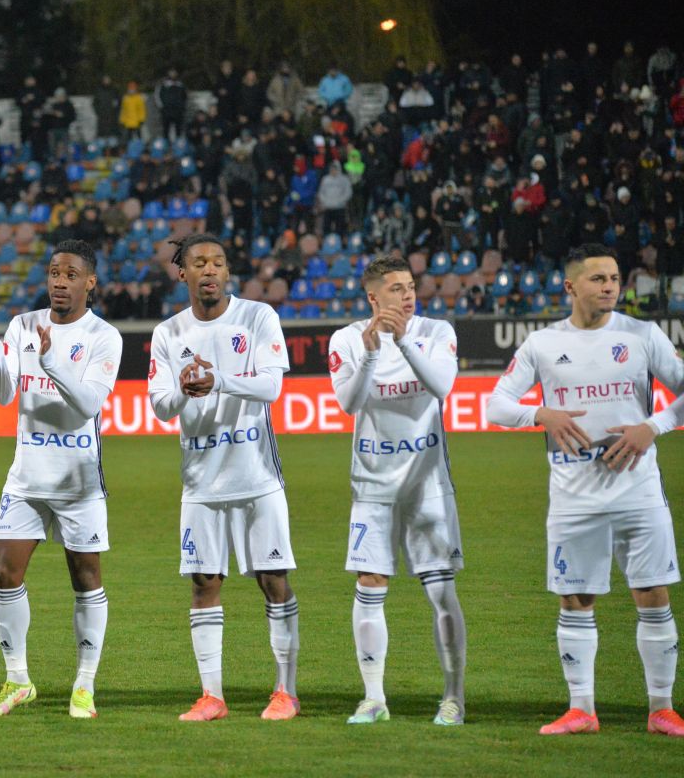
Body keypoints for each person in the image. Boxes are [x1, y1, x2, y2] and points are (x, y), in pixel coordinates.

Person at [486, 244, 684, 736]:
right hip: (574, 492)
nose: (610, 286)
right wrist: (541, 413)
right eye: (598, 279)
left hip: (638, 489)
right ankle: (582, 710)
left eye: (614, 277)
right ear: (571, 287)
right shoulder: (543, 344)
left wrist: (653, 426)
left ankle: (662, 709)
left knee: (652, 593)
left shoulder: (642, 335)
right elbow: (496, 405)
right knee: (575, 598)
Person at [148, 233, 299, 722]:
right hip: (200, 482)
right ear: (183, 273)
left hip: (256, 477)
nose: (208, 270)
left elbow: (273, 385)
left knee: (273, 581)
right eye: (198, 263)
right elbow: (160, 405)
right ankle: (212, 696)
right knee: (203, 583)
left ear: (228, 273)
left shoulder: (257, 318)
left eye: (217, 262)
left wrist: (218, 380)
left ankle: (285, 692)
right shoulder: (168, 333)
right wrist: (186, 391)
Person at [0, 240, 123, 720]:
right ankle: (17, 680)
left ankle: (84, 685)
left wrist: (52, 360)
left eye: (71, 274)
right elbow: (3, 396)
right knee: (4, 573)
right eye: (54, 272)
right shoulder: (21, 325)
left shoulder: (104, 336)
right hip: (26, 478)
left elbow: (88, 405)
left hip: (78, 482)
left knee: (86, 579)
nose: (60, 281)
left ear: (90, 282)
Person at [327, 256, 467, 726]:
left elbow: (443, 385)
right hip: (372, 487)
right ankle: (373, 699)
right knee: (369, 586)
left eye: (410, 287)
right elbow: (348, 403)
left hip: (428, 486)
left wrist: (403, 341)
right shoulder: (347, 340)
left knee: (441, 590)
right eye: (396, 289)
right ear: (373, 298)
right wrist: (369, 353)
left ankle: (453, 697)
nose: (408, 296)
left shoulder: (437, 331)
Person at [155, 68, 188, 141]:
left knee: (178, 130)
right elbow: (157, 95)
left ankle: (178, 148)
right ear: (168, 74)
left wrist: (182, 107)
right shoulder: (163, 84)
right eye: (171, 73)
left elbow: (185, 97)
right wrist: (162, 107)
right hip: (167, 110)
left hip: (178, 111)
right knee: (165, 130)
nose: (173, 74)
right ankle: (166, 147)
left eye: (174, 73)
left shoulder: (180, 84)